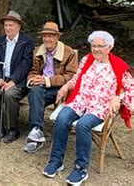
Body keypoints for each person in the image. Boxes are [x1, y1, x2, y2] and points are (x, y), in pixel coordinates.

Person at [43, 31, 133, 185]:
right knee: (62, 118)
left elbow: (131, 89)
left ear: (109, 47)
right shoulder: (87, 59)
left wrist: (118, 98)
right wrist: (65, 86)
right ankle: (56, 161)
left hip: (99, 107)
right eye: (93, 46)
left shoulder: (118, 65)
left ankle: (80, 168)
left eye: (100, 46)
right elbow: (77, 78)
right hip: (80, 101)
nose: (96, 49)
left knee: (83, 125)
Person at [24, 22, 78, 153]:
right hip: (42, 86)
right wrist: (32, 79)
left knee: (36, 95)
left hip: (60, 89)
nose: (47, 39)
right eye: (45, 36)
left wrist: (47, 80)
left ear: (57, 38)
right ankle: (36, 130)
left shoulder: (69, 52)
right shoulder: (37, 51)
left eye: (51, 36)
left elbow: (71, 76)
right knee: (34, 92)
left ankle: (36, 132)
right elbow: (33, 70)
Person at [0, 10, 34, 143]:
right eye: (6, 25)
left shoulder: (26, 41)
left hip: (18, 80)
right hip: (2, 77)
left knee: (9, 95)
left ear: (18, 26)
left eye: (11, 25)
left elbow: (26, 64)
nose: (7, 28)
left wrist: (13, 80)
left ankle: (12, 128)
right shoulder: (0, 41)